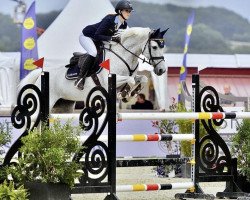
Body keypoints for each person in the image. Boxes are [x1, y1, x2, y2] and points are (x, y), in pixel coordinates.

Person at [75, 0, 134, 90]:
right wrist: (111, 39)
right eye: (127, 11)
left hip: (100, 40)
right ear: (119, 11)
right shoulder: (109, 19)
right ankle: (80, 79)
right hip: (87, 36)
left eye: (130, 11)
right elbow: (97, 35)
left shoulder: (124, 25)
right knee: (93, 53)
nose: (129, 13)